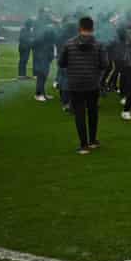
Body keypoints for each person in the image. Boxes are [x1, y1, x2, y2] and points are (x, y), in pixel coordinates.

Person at [58, 16, 108, 154]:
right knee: (93, 112)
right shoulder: (99, 44)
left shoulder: (68, 44)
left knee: (79, 113)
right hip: (92, 83)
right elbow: (105, 64)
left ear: (79, 28)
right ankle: (92, 141)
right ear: (93, 28)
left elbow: (61, 63)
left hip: (75, 84)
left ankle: (83, 145)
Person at [32, 9, 57, 102]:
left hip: (47, 52)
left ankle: (43, 93)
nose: (49, 15)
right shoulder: (39, 25)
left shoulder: (47, 26)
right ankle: (38, 94)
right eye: (47, 13)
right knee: (41, 74)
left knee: (45, 73)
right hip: (41, 52)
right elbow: (37, 39)